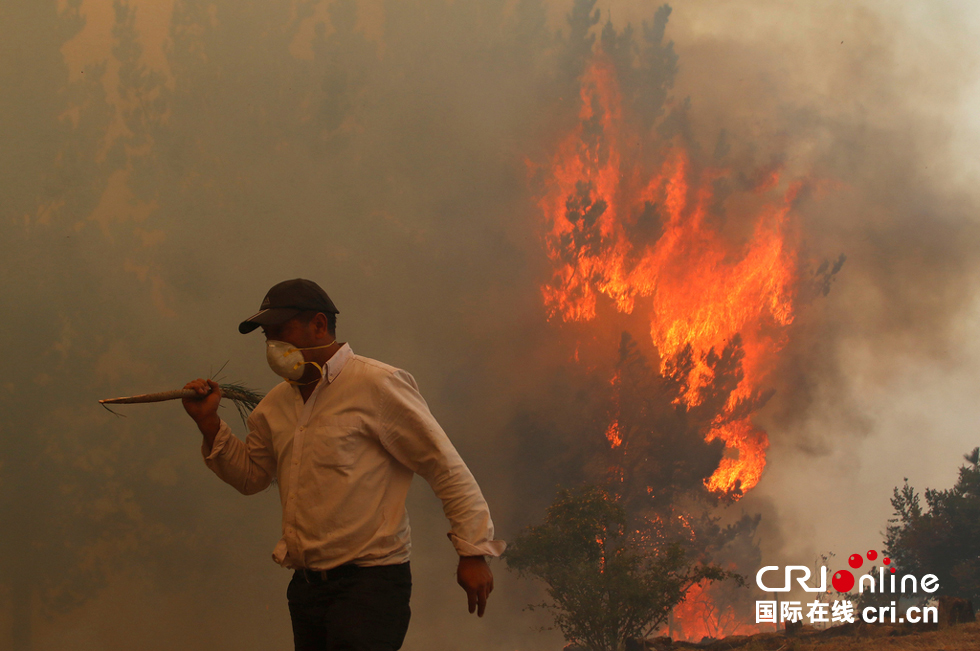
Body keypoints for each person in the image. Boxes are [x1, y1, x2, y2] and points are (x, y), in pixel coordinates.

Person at [182, 278, 505, 651]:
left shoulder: (378, 385)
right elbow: (252, 477)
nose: (273, 347)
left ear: (319, 325)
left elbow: (443, 466)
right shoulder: (274, 406)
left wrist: (473, 552)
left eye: (281, 332)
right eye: (267, 337)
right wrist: (209, 424)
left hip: (370, 585)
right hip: (305, 589)